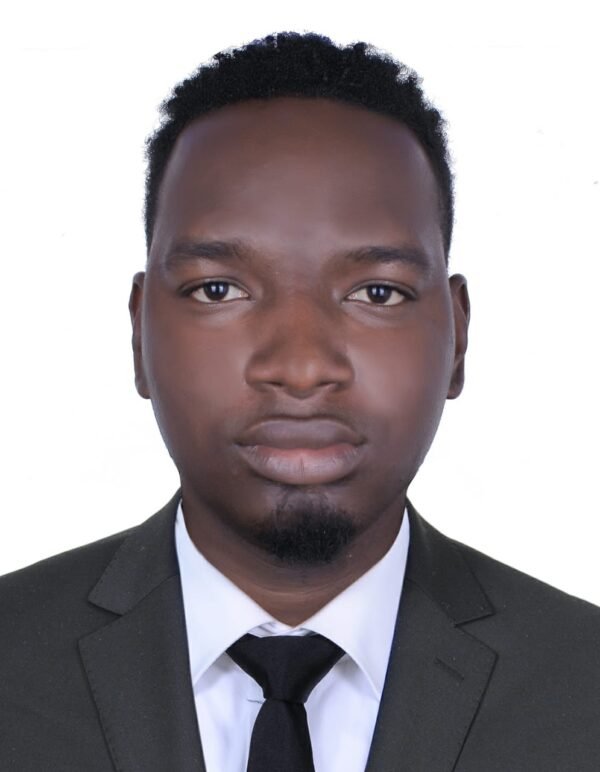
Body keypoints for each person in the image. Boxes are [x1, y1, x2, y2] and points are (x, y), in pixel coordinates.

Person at [1, 30, 598, 772]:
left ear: (457, 339)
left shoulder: (584, 685)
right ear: (138, 333)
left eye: (377, 293)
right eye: (218, 289)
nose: (302, 367)